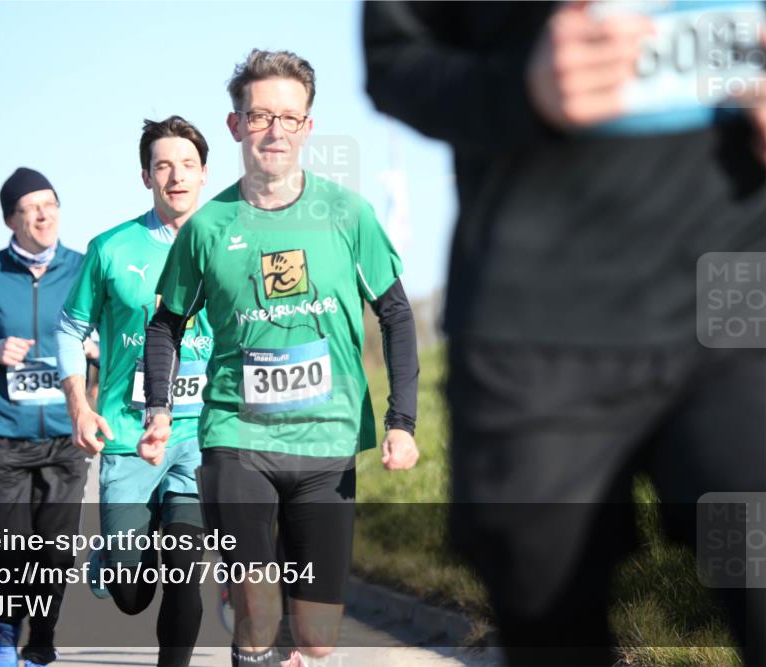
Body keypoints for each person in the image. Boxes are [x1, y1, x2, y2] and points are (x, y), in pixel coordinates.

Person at [364, 2, 766, 666]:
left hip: (733, 291)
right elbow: (394, 60)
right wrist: (522, 88)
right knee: (550, 621)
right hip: (535, 315)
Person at [138, 49, 421, 667]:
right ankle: (251, 619)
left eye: (290, 118)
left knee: (316, 640)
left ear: (308, 128)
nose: (275, 130)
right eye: (261, 115)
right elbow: (166, 323)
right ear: (237, 125)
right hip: (237, 436)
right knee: (261, 617)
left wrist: (403, 422)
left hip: (328, 440)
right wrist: (158, 408)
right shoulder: (207, 228)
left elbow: (396, 316)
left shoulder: (348, 215)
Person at [54, 115, 213, 667]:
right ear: (146, 176)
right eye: (163, 165)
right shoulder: (110, 249)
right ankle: (112, 558)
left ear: (204, 174)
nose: (176, 176)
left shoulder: (230, 244)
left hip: (201, 434)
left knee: (186, 569)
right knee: (130, 593)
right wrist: (79, 405)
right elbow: (71, 330)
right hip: (128, 433)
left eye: (187, 165)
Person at [0, 167, 92, 667]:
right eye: (31, 208)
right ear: (11, 219)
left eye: (50, 203)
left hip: (64, 435)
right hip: (3, 436)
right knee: (11, 549)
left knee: (55, 551)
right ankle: (7, 631)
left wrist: (97, 348)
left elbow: (115, 331)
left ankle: (42, 638)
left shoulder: (82, 268)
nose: (43, 214)